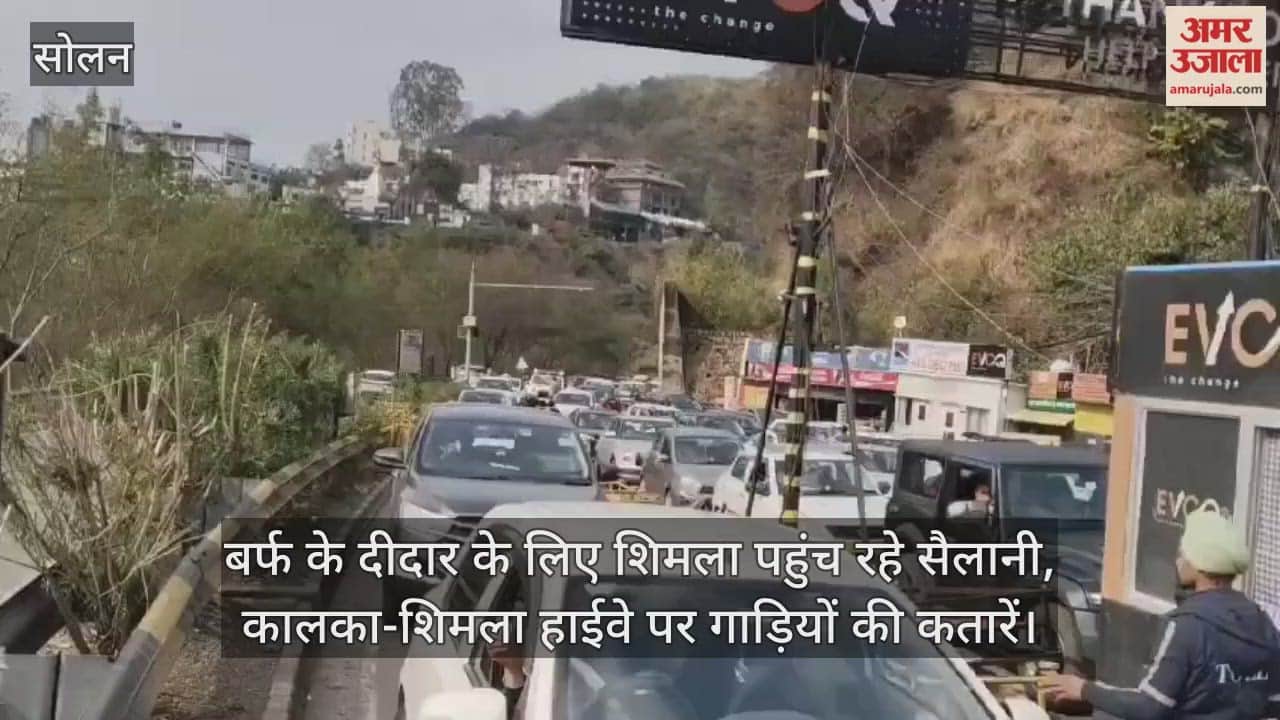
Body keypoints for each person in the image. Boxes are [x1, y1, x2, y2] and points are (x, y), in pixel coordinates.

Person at [1043, 506, 1280, 719]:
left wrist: (1083, 689)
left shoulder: (1187, 627)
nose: (1178, 560)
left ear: (1198, 563)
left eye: (1182, 553)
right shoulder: (1263, 623)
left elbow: (1150, 706)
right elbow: (1273, 703)